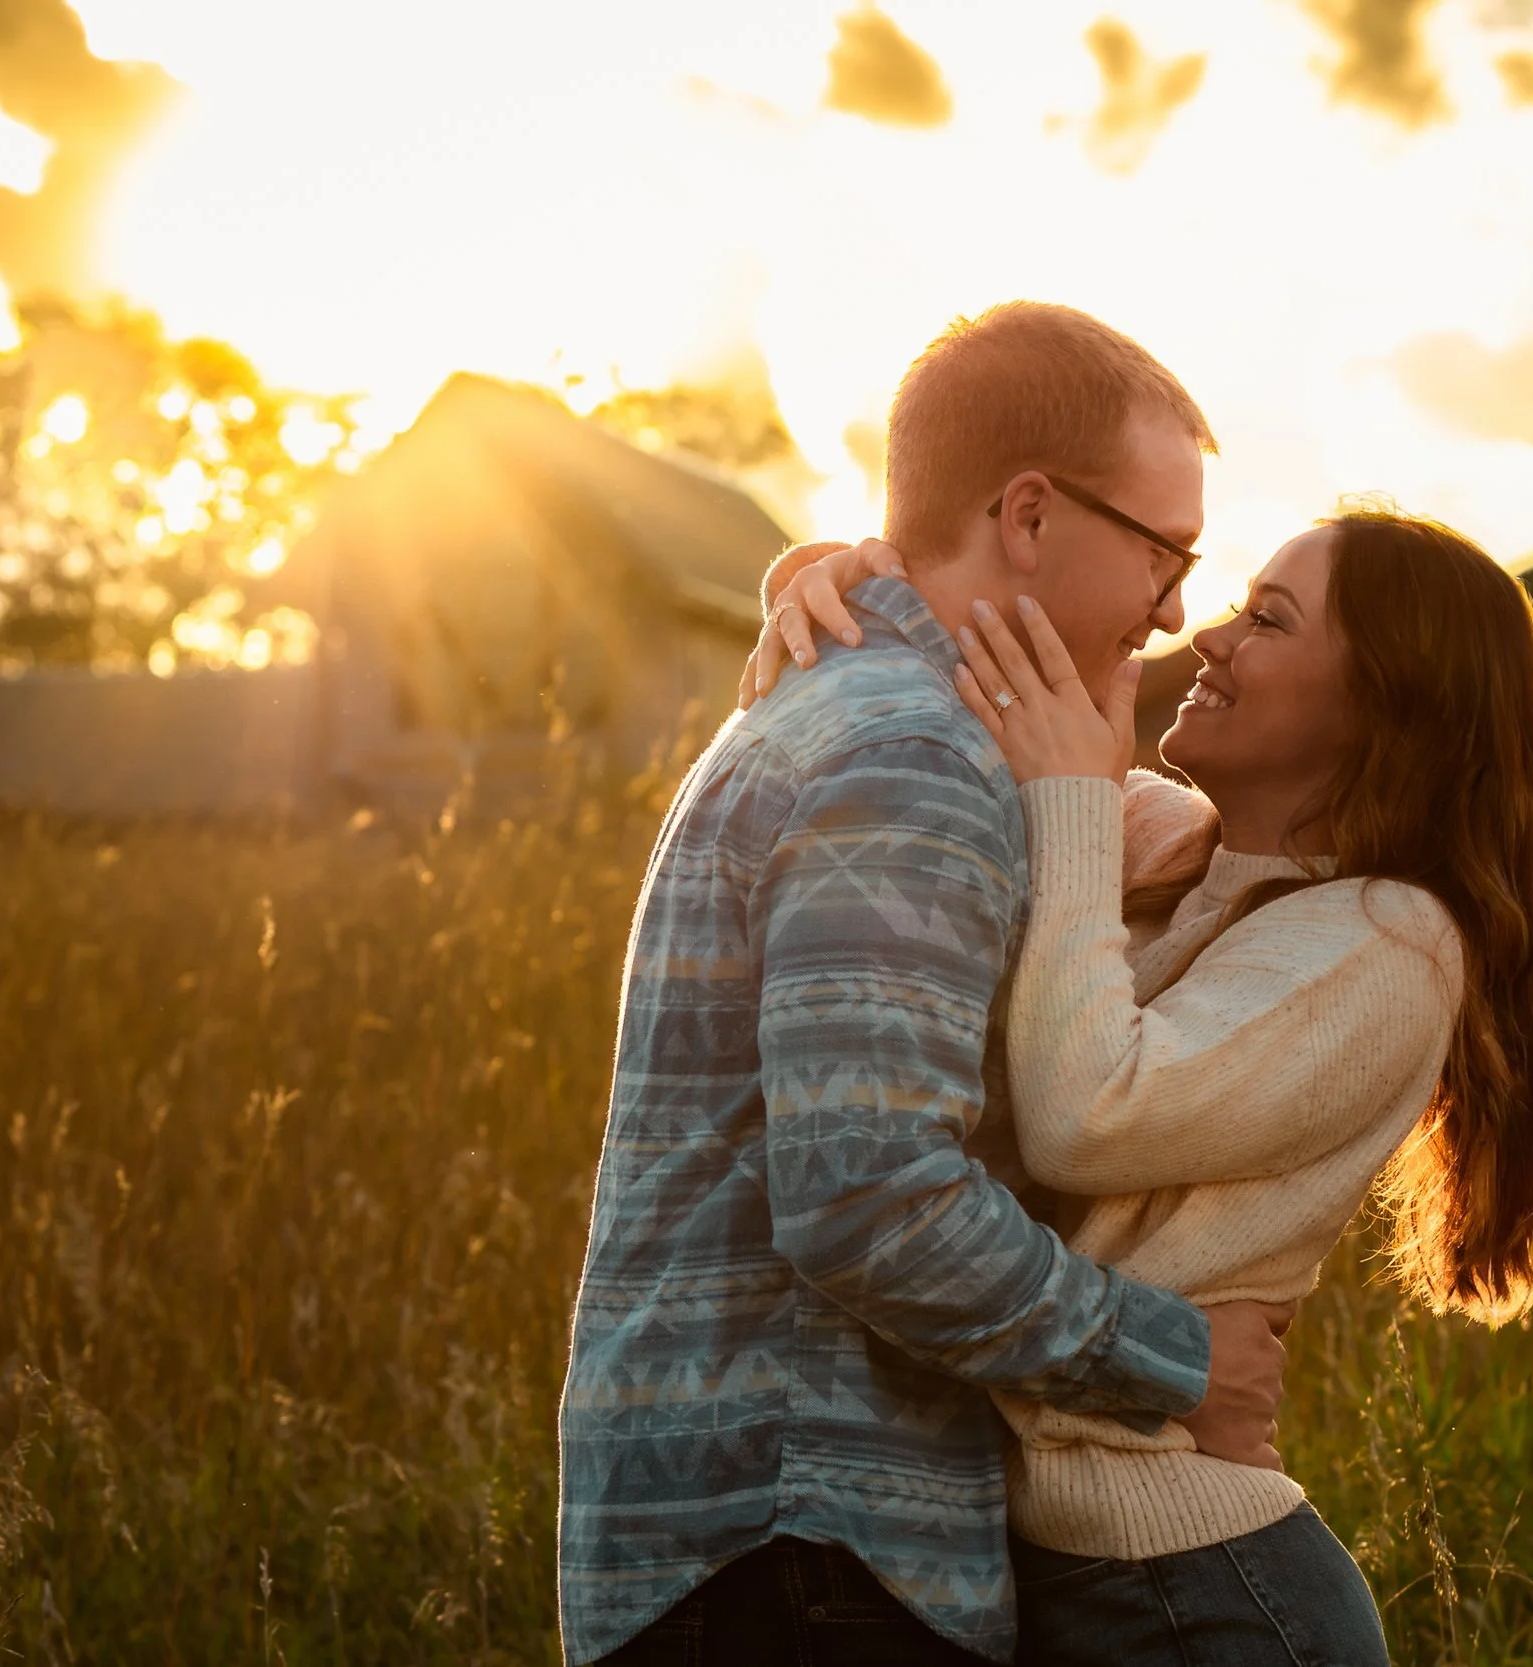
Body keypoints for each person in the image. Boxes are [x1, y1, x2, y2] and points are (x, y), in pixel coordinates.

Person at [558, 302, 1301, 1667]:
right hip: (809, 1551)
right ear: (1027, 512)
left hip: (770, 1544)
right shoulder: (909, 759)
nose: (1180, 606)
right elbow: (867, 1195)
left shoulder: (860, 713)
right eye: (1163, 549)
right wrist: (1176, 1358)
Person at [750, 508, 1533, 1665]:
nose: (1205, 637)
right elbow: (994, 690)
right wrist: (828, 575)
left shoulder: (1390, 940)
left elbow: (1082, 1112)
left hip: (1199, 1597)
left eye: (1266, 620)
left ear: (1381, 702)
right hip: (1075, 1571)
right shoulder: (1181, 853)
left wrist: (1068, 795)